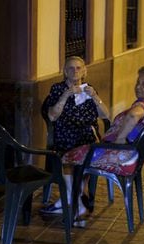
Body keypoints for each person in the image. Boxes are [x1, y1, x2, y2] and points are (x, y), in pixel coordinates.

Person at [61, 65, 144, 209]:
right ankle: (78, 197)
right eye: (138, 82)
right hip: (131, 153)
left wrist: (119, 139)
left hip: (120, 154)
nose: (138, 87)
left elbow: (133, 115)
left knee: (68, 158)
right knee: (84, 153)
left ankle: (72, 202)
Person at [40, 56, 110, 215]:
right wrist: (65, 96)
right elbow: (52, 116)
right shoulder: (57, 89)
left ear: (84, 71)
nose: (75, 71)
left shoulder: (89, 89)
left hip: (87, 134)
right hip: (65, 133)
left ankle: (70, 199)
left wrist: (95, 97)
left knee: (86, 153)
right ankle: (77, 199)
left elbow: (106, 115)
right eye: (71, 68)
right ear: (65, 72)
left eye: (79, 68)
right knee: (69, 155)